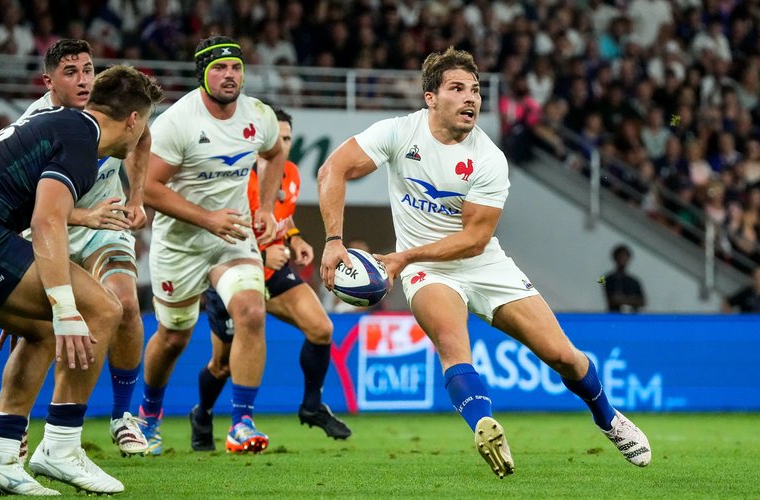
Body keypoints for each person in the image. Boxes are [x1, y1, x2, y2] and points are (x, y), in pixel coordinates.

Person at [318, 47, 651, 479]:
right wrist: (333, 240)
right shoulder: (399, 133)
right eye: (457, 89)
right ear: (431, 98)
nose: (470, 98)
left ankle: (607, 416)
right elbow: (333, 170)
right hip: (427, 271)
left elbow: (474, 241)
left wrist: (404, 256)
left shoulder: (489, 158)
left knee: (563, 355)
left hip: (480, 263)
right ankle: (484, 426)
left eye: (475, 90)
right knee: (451, 343)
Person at [0, 65, 162, 495]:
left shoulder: (62, 123)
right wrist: (65, 307)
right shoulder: (83, 141)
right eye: (144, 125)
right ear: (133, 120)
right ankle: (61, 448)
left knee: (42, 329)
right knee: (101, 307)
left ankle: (0, 455)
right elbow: (47, 222)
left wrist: (28, 297)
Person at [139, 35, 286, 456]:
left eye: (236, 67)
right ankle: (148, 415)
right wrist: (207, 219)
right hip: (180, 243)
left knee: (252, 312)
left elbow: (275, 153)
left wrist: (267, 206)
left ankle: (241, 423)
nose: (229, 75)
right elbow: (147, 187)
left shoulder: (259, 115)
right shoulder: (177, 123)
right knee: (173, 337)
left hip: (233, 236)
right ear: (202, 73)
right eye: (219, 68)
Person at [190, 107, 351, 453]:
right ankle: (202, 414)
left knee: (321, 329)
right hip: (233, 272)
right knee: (222, 365)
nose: (283, 144)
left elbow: (283, 216)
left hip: (274, 271)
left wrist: (295, 238)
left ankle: (311, 406)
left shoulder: (290, 173)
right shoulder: (235, 177)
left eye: (288, 138)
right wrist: (261, 255)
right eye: (277, 137)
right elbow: (217, 233)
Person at [603, 244, 647, 313]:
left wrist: (623, 299)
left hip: (631, 316)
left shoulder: (635, 281)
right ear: (615, 258)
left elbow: (643, 301)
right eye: (620, 256)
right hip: (614, 315)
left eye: (624, 256)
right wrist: (632, 299)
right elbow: (612, 299)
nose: (622, 259)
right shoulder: (607, 278)